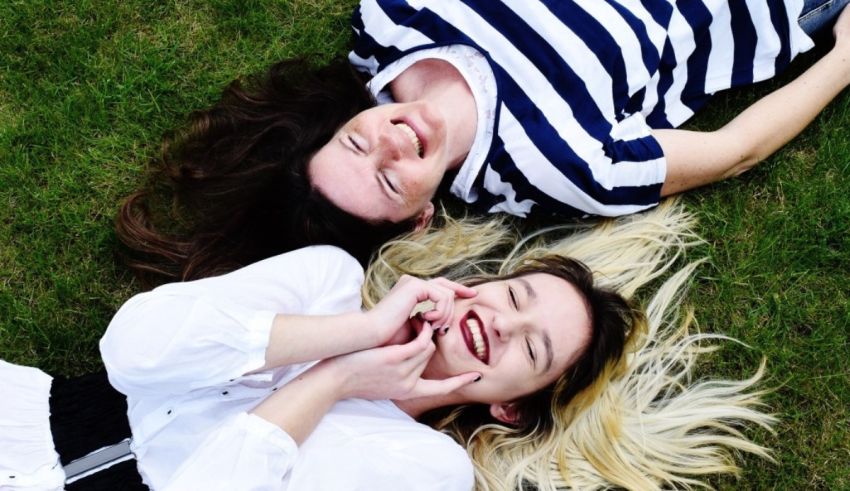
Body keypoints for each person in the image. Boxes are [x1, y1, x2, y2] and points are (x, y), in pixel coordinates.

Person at [1, 201, 775, 490]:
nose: (502, 323)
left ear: (509, 405)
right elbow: (129, 350)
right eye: (513, 297)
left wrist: (336, 380)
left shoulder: (426, 469)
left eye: (530, 350)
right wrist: (359, 333)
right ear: (478, 285)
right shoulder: (328, 283)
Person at [118, 0, 850, 284]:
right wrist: (845, 58)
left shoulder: (391, 22)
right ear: (420, 218)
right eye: (388, 180)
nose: (391, 144)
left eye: (354, 145)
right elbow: (736, 149)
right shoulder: (559, 165)